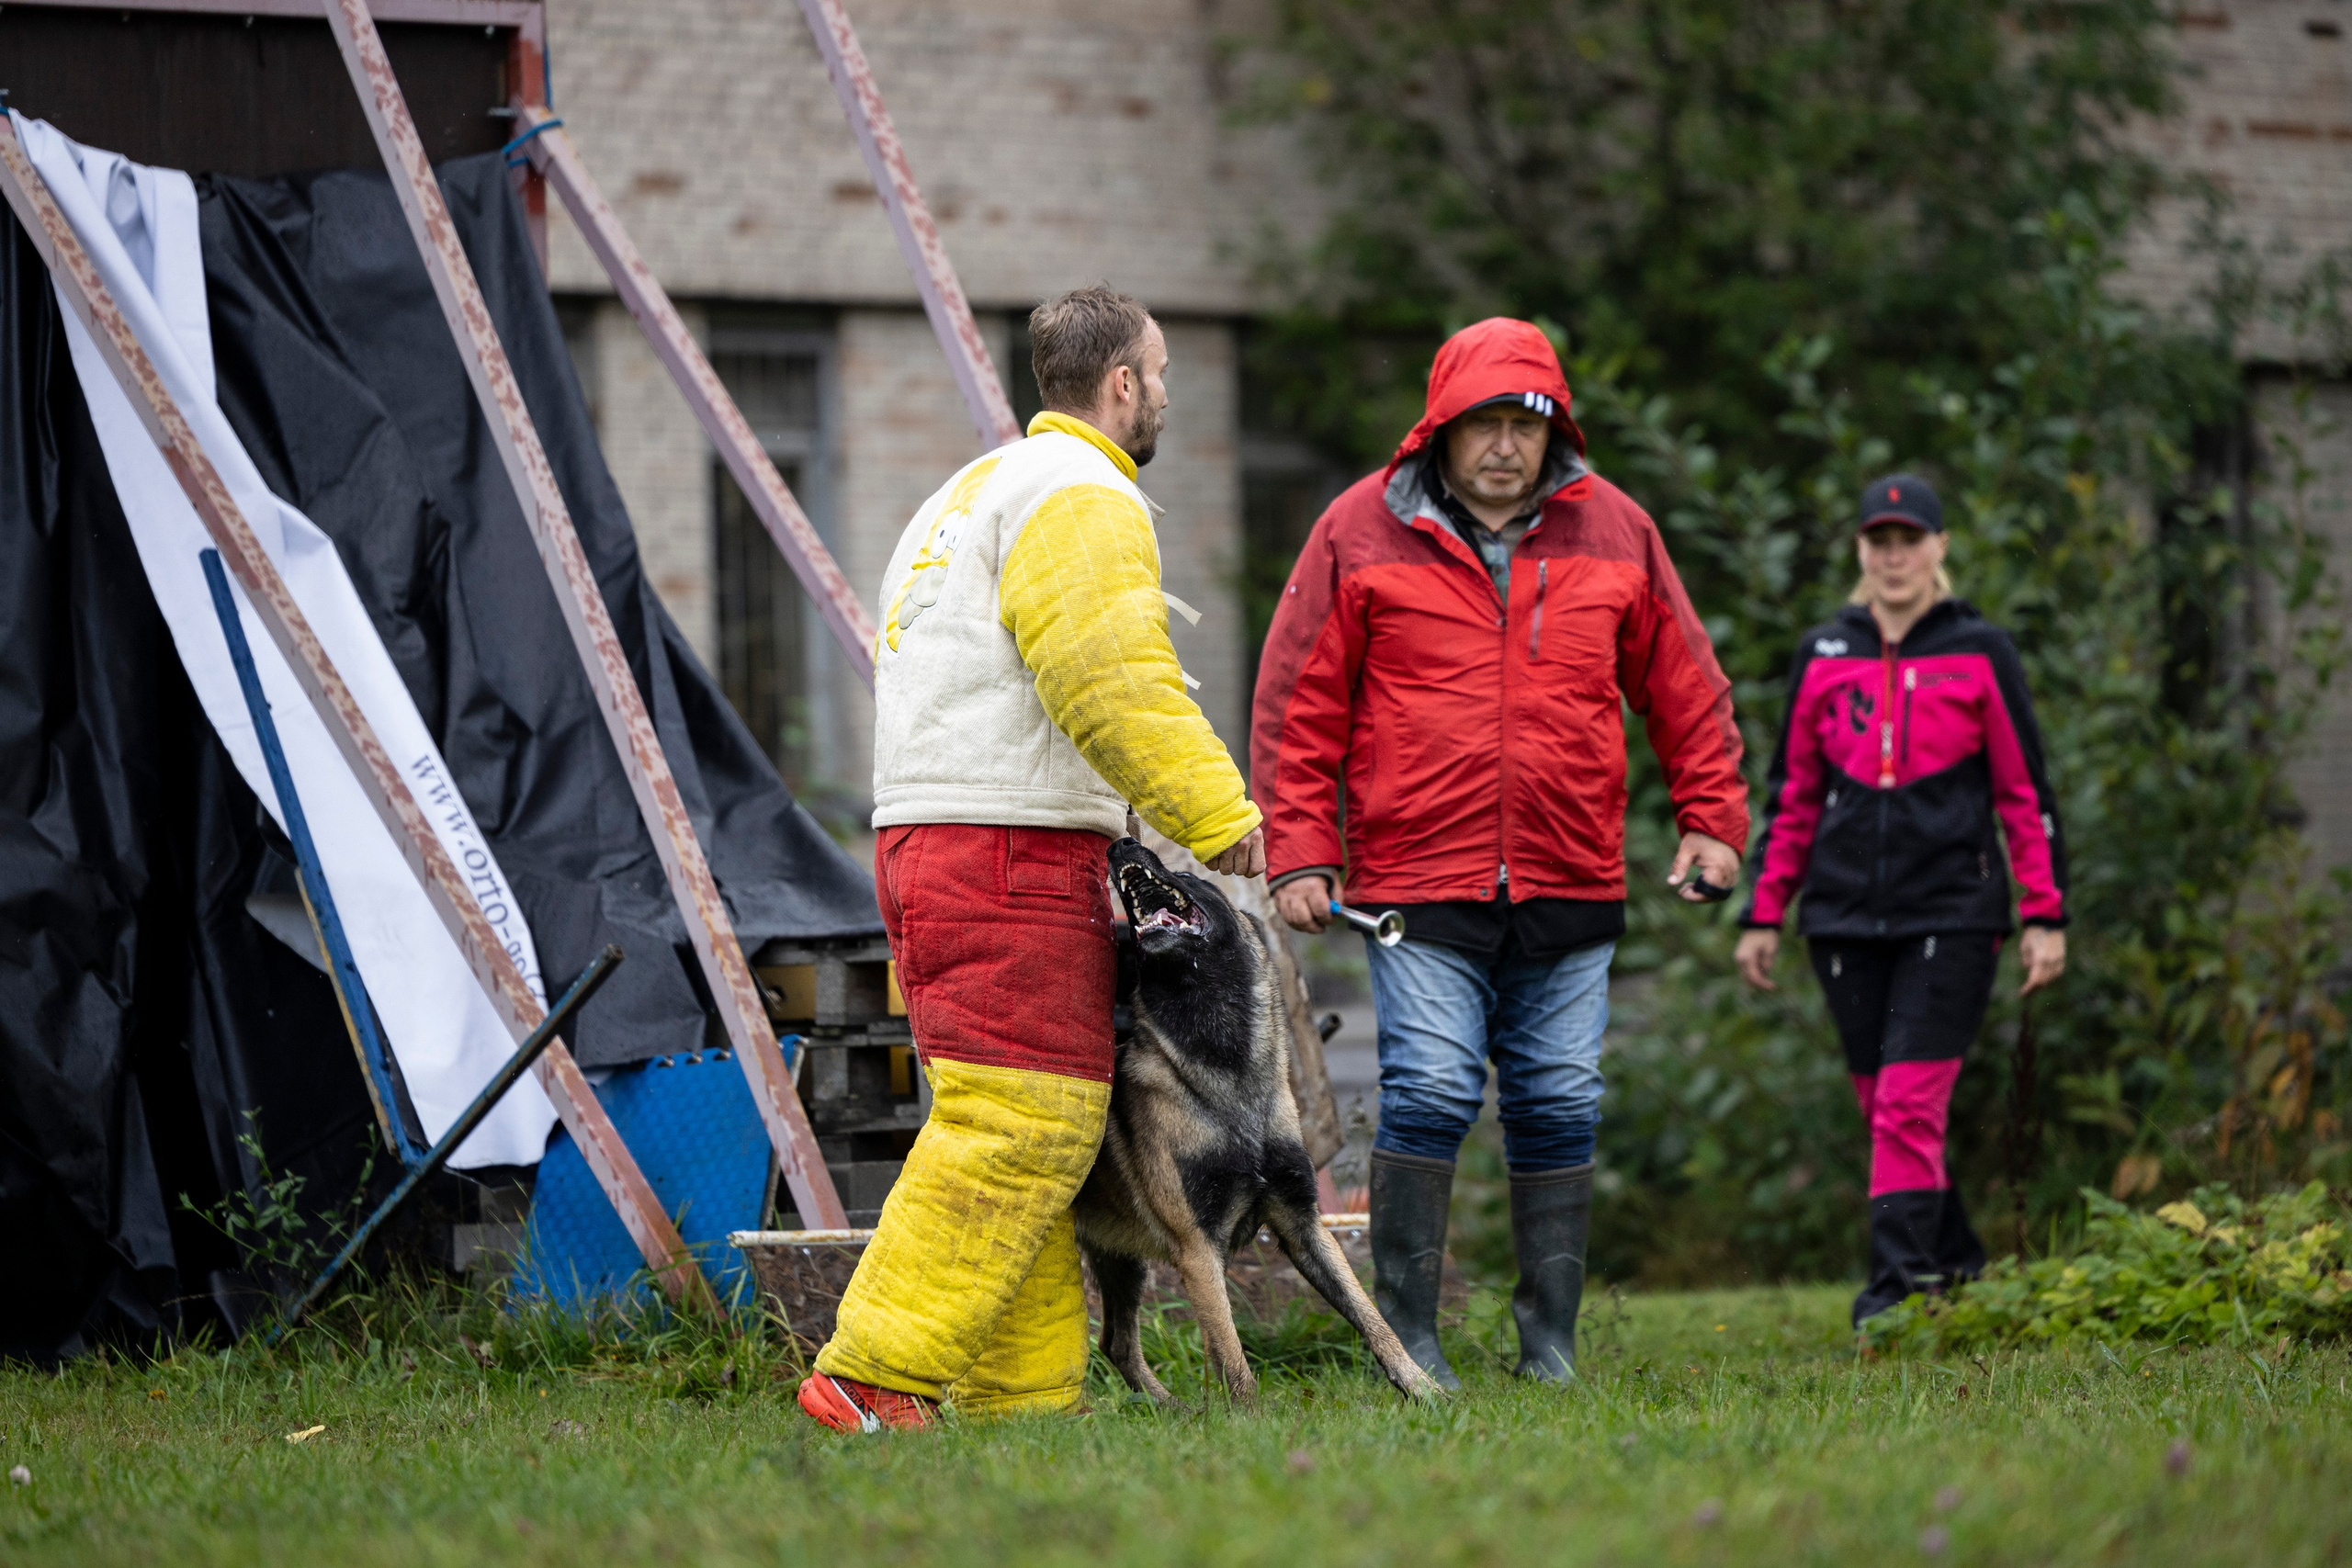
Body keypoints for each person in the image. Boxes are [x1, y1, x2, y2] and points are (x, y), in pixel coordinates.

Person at [799, 286, 1264, 1432]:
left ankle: (1027, 1403)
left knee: (1006, 1131)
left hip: (928, 842)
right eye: (1159, 375)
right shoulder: (1085, 493)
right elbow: (1108, 676)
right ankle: (871, 1376)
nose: (1164, 395)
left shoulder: (967, 493)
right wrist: (1221, 817)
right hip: (1009, 848)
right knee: (1025, 1126)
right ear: (1122, 385)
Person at [1253, 319, 1748, 1386]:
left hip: (1571, 877)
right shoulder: (1357, 529)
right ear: (1439, 427)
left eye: (1525, 423)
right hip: (1414, 881)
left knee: (1561, 1099)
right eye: (1481, 421)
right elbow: (1299, 700)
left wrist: (1711, 819)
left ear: (1553, 430)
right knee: (1429, 1089)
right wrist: (1297, 846)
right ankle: (1408, 1338)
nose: (1503, 446)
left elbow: (1686, 686)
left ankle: (1550, 1344)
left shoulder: (1615, 530)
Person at [1734, 474, 2067, 1326]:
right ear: (1860, 551)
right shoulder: (1824, 653)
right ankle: (1959, 1265)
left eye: (1909, 539)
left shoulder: (1981, 650)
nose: (1894, 555)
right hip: (1842, 917)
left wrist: (2044, 911)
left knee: (1908, 1105)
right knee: (1884, 1109)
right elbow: (1794, 795)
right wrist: (1764, 911)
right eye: (1879, 540)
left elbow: (2024, 794)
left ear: (1939, 548)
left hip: (1955, 911)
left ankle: (1898, 1293)